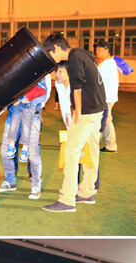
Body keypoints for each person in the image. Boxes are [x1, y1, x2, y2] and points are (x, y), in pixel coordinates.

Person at [42, 34, 106, 213]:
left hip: (87, 112)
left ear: (56, 47)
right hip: (97, 110)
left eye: (49, 52)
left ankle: (67, 200)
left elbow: (77, 87)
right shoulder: (82, 54)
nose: (50, 57)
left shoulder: (74, 57)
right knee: (91, 151)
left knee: (71, 151)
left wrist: (77, 112)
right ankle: (87, 191)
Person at [94, 40, 118, 153]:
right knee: (106, 120)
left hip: (106, 98)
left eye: (99, 50)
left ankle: (110, 144)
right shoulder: (109, 63)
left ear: (106, 50)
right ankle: (109, 143)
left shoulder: (107, 64)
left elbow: (97, 79)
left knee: (105, 120)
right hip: (108, 97)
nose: (97, 53)